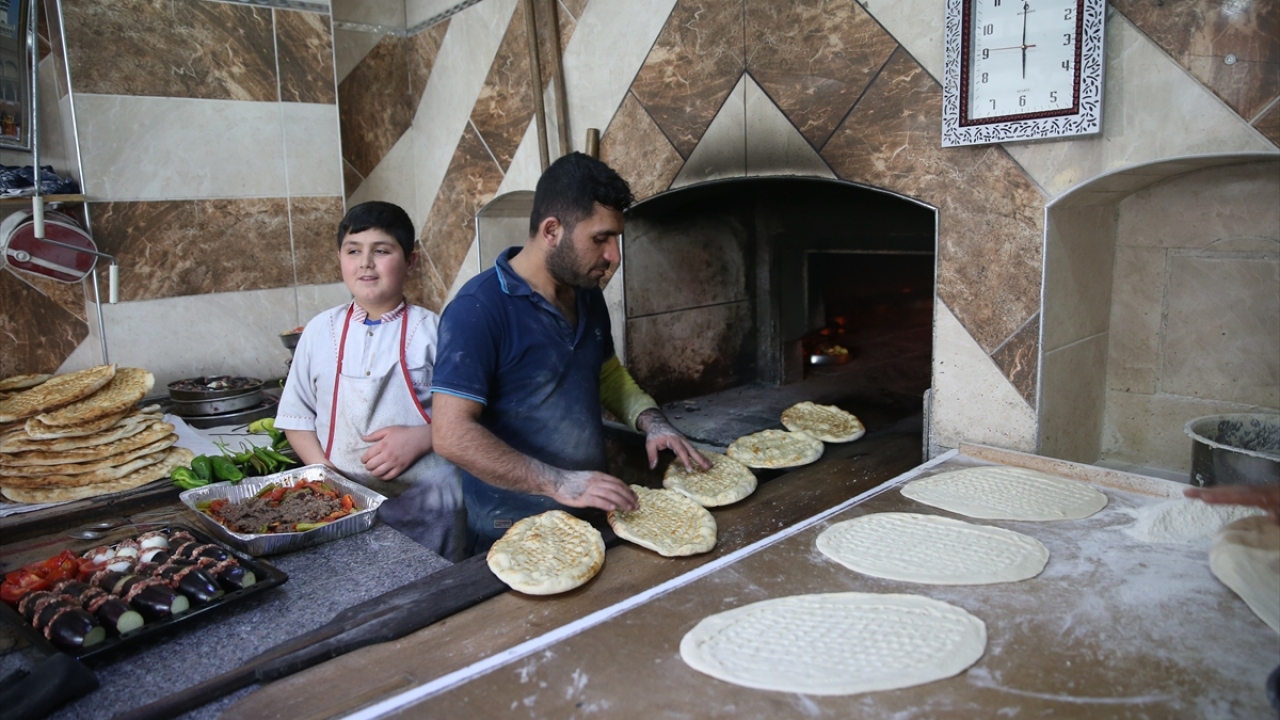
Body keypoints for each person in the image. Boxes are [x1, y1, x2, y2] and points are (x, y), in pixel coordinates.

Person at [431, 152, 711, 554]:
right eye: (600, 238)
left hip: (591, 509)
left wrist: (653, 422)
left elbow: (605, 371)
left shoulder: (585, 294)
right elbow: (452, 435)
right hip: (512, 529)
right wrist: (559, 482)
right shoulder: (478, 309)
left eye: (616, 238)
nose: (613, 255)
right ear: (551, 230)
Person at [275, 201, 463, 559]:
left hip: (430, 506)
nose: (366, 263)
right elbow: (296, 416)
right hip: (343, 505)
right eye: (353, 251)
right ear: (340, 259)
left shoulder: (435, 331)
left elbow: (469, 413)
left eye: (381, 250)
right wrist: (322, 471)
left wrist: (424, 437)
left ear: (410, 262)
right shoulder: (319, 332)